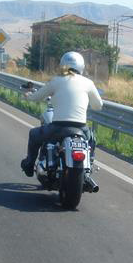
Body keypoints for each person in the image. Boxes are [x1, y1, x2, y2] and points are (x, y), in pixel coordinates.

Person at [21, 51, 103, 180]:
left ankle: (29, 165)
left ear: (63, 65)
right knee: (91, 140)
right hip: (81, 128)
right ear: (81, 66)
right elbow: (98, 106)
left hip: (58, 127)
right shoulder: (88, 83)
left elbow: (37, 97)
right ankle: (89, 166)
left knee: (34, 134)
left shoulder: (56, 81)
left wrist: (28, 96)